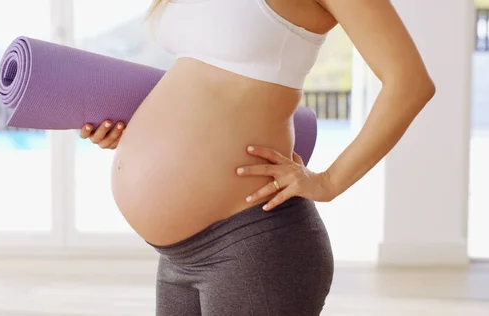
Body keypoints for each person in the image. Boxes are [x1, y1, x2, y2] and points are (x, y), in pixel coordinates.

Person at [79, 0, 435, 315]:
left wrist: (328, 181)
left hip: (252, 244)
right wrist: (139, 131)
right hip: (177, 259)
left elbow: (410, 82)